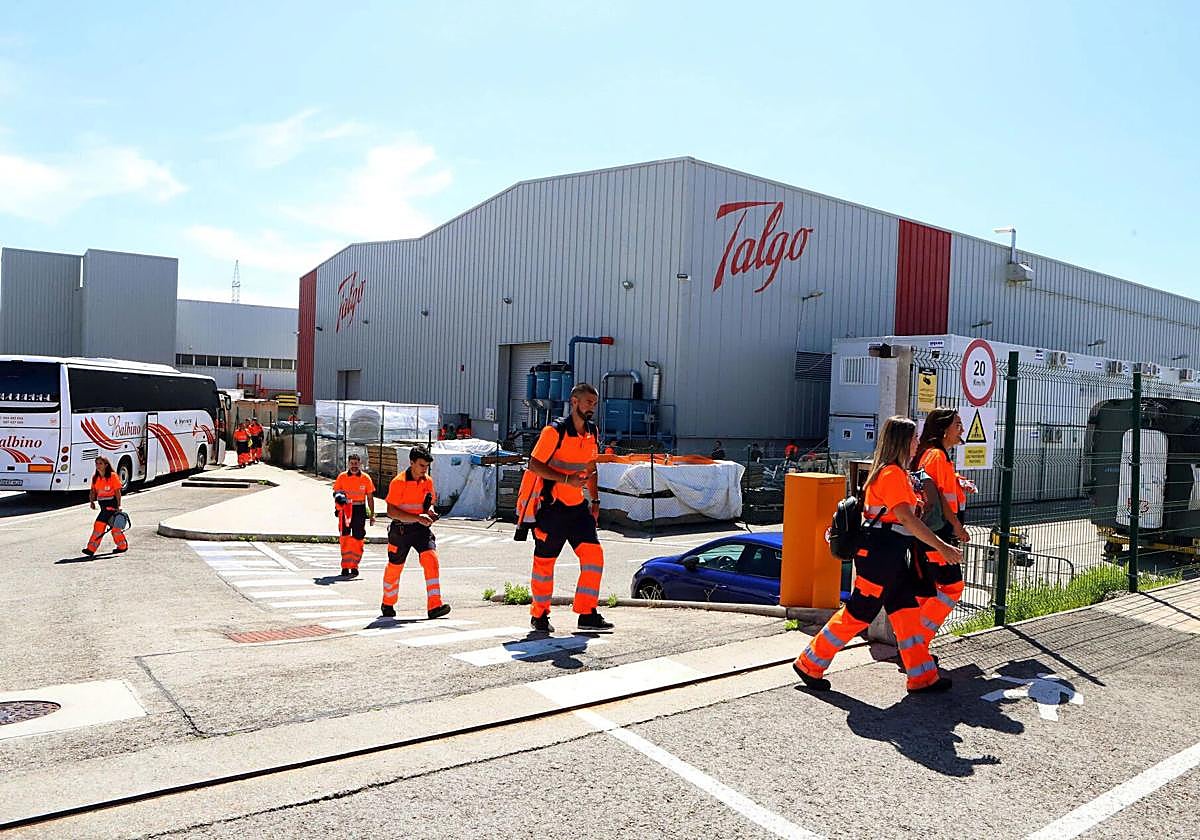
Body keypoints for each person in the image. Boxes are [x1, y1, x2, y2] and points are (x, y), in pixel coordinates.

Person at [793, 416, 962, 693]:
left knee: (906, 613)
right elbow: (907, 520)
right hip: (881, 557)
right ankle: (809, 664)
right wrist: (942, 548)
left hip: (887, 556)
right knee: (859, 614)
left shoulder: (891, 472)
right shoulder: (892, 474)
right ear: (904, 441)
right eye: (914, 438)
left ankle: (922, 677)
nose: (918, 442)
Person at [516, 382, 612, 633]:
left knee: (594, 557)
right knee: (544, 563)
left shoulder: (592, 431)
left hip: (578, 508)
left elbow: (591, 468)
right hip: (552, 508)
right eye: (588, 401)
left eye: (594, 403)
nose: (592, 407)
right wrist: (566, 479)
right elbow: (534, 465)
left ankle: (587, 613)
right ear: (574, 402)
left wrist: (595, 501)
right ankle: (539, 614)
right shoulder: (553, 432)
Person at [912, 408, 970, 641]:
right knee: (952, 586)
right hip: (939, 531)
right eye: (957, 425)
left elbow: (941, 488)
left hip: (935, 531)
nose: (962, 430)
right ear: (944, 430)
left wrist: (958, 483)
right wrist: (957, 526)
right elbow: (941, 498)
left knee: (929, 589)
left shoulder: (937, 455)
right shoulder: (936, 456)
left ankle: (914, 643)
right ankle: (917, 643)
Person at [381, 445, 451, 620]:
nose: (424, 470)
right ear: (411, 463)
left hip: (420, 530)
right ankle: (387, 603)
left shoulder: (427, 481)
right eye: (421, 465)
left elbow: (428, 503)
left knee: (431, 560)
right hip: (400, 530)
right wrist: (417, 517)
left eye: (426, 466)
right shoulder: (398, 482)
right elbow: (391, 512)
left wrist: (430, 512)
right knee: (395, 568)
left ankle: (435, 606)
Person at [332, 453, 375, 577]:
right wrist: (337, 507)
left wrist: (372, 515)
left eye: (356, 463)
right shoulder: (342, 477)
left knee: (358, 538)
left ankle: (355, 565)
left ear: (360, 464)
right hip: (345, 509)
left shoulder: (366, 478)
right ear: (348, 464)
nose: (354, 466)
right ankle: (345, 566)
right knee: (345, 537)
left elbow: (370, 498)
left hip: (359, 509)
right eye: (352, 463)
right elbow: (336, 494)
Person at [83, 456, 127, 556]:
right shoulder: (95, 478)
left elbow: (117, 492)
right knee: (115, 529)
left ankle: (91, 549)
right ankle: (122, 546)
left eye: (100, 463)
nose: (98, 466)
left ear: (106, 465)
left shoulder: (112, 476)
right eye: (97, 463)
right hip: (103, 506)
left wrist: (119, 505)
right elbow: (93, 491)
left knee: (99, 525)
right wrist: (92, 501)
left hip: (111, 505)